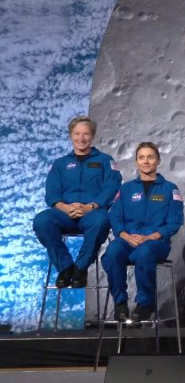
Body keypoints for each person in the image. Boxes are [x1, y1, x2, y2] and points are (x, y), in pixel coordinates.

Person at [33, 116, 121, 289]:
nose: (81, 138)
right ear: (70, 135)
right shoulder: (60, 164)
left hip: (93, 213)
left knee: (102, 220)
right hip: (64, 214)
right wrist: (65, 208)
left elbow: (112, 187)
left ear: (92, 136)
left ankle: (80, 268)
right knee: (42, 220)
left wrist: (89, 207)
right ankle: (65, 268)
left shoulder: (105, 161)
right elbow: (51, 194)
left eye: (86, 134)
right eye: (77, 133)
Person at [101, 143, 184, 322]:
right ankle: (120, 304)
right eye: (141, 157)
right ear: (137, 162)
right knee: (112, 252)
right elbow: (115, 217)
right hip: (127, 240)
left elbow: (174, 222)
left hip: (156, 242)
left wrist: (148, 237)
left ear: (158, 161)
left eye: (150, 157)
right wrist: (124, 235)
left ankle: (145, 303)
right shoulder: (126, 189)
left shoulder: (170, 189)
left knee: (144, 253)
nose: (146, 161)